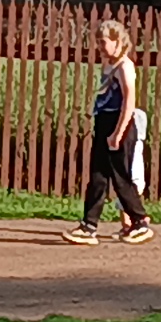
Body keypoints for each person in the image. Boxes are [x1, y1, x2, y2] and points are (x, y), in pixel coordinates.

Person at [66, 18, 152, 245]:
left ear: (117, 41)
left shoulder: (125, 66)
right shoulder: (110, 65)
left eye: (104, 42)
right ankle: (88, 225)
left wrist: (118, 132)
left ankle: (139, 221)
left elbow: (129, 101)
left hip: (118, 124)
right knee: (98, 176)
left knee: (120, 176)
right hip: (105, 122)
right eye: (98, 42)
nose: (100, 47)